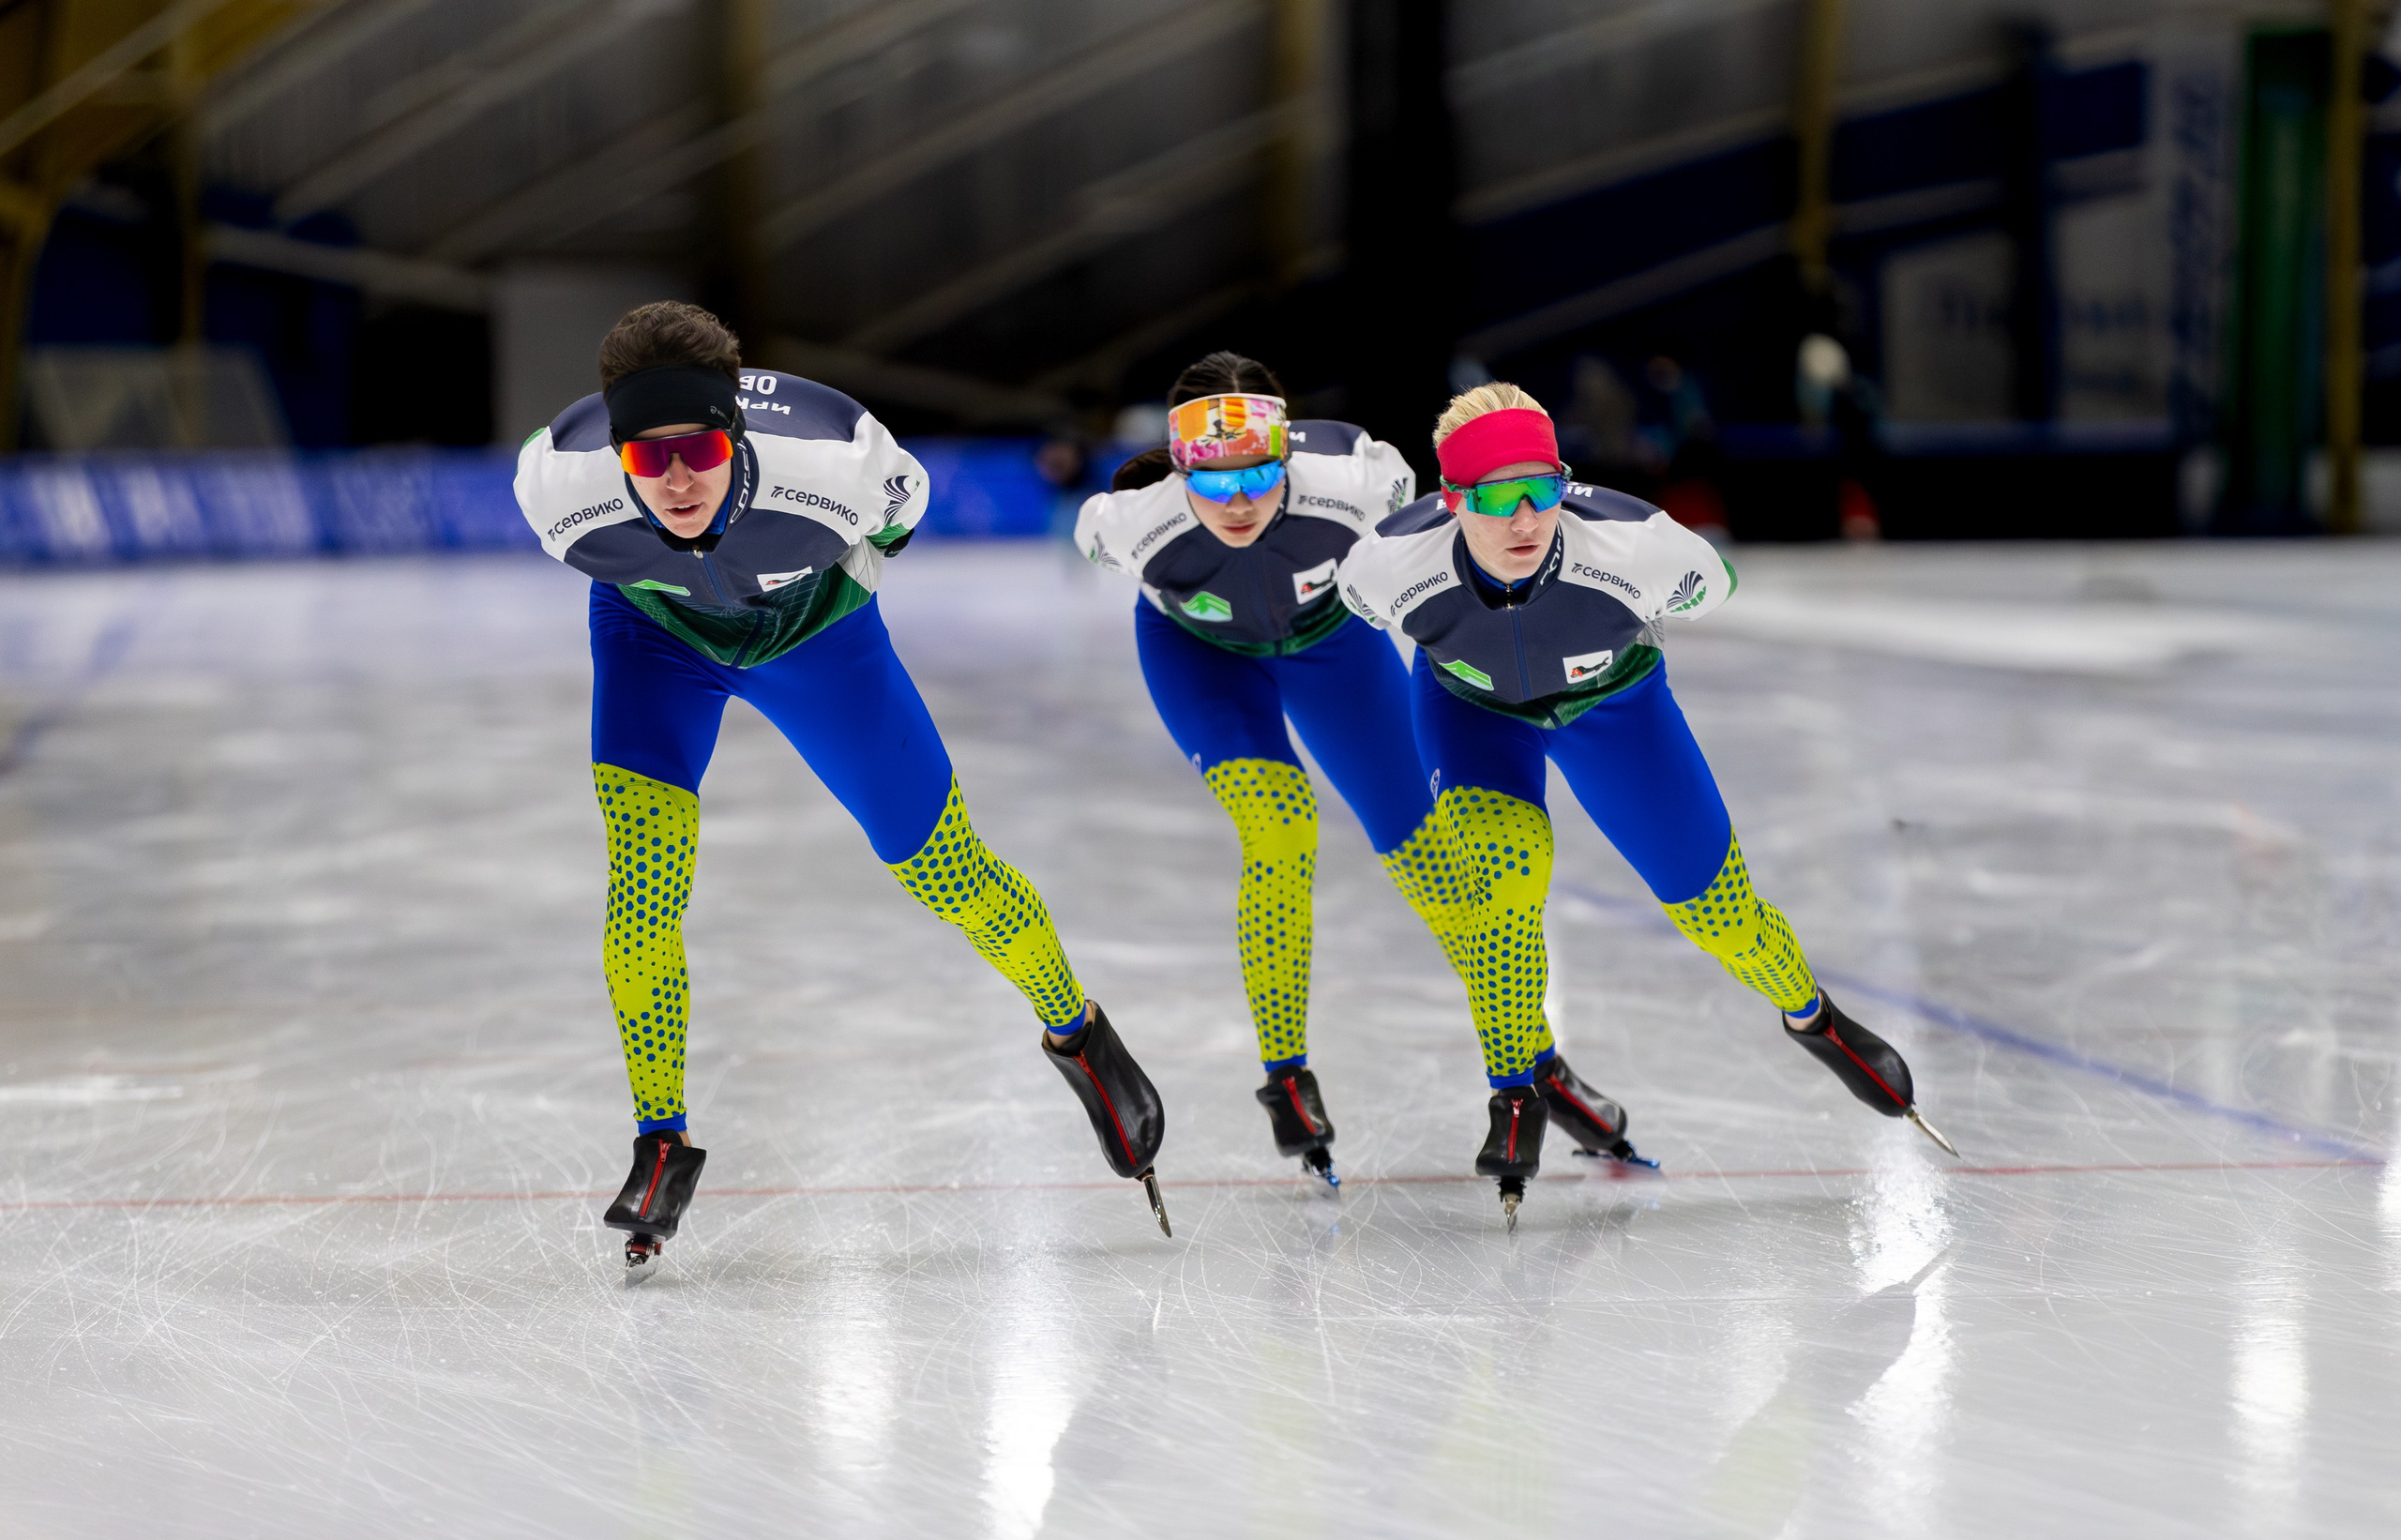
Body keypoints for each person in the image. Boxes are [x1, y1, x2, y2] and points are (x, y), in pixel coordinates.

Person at [513, 301, 1171, 1276]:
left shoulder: (837, 460)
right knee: (643, 886)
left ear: (734, 433)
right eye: (649, 462)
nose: (679, 480)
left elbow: (903, 511)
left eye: (698, 448)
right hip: (655, 639)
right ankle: (661, 1138)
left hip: (817, 632)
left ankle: (1079, 1032)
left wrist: (846, 578)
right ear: (615, 460)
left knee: (946, 874)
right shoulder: (556, 489)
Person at [1335, 381, 1956, 1225]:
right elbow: (1365, 612)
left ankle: (1816, 1017)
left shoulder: (1638, 546)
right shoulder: (1382, 565)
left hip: (1614, 706)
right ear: (1451, 502)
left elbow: (1715, 581)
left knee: (1720, 915)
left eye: (1543, 491)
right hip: (1472, 711)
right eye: (1496, 499)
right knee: (1506, 878)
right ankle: (1514, 1089)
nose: (1526, 520)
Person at [1075, 353, 1646, 1185]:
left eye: (1260, 472)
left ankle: (1534, 1068)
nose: (1238, 501)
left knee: (1444, 874)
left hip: (1333, 646)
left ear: (1290, 456)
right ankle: (1286, 1081)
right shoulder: (1129, 521)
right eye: (1214, 479)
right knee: (1277, 821)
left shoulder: (1354, 477)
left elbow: (1449, 547)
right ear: (1180, 465)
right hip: (1200, 655)